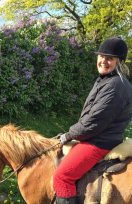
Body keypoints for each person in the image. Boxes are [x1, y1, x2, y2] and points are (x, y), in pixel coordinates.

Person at [53, 37, 132, 204]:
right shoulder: (107, 80)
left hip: (98, 142)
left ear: (119, 62)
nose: (103, 61)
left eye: (109, 58)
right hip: (99, 137)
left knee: (62, 177)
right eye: (101, 56)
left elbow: (94, 122)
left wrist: (69, 135)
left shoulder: (115, 85)